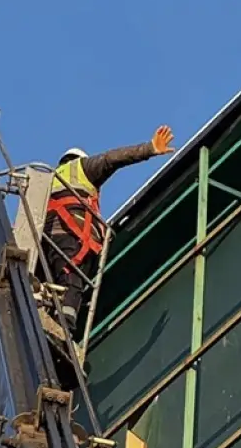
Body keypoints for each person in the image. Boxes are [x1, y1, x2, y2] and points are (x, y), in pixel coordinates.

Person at [41, 126, 175, 332]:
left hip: (46, 243)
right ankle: (63, 330)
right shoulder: (82, 167)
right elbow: (112, 159)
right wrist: (149, 149)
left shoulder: (46, 182)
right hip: (72, 237)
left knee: (52, 285)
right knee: (72, 283)